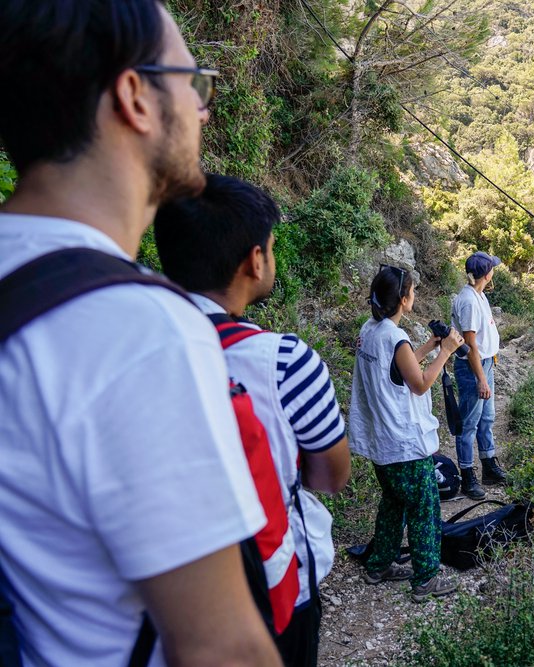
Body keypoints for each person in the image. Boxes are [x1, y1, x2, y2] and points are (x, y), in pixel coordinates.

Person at [0, 1, 281, 665]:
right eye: (194, 83)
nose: (204, 108)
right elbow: (220, 649)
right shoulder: (138, 330)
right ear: (136, 96)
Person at [154, 174, 352, 666]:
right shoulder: (285, 360)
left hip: (166, 597)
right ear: (255, 260)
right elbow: (331, 476)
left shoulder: (138, 353)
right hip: (274, 590)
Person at [350, 266, 465, 602]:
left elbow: (398, 369)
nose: (414, 296)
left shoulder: (371, 330)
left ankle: (379, 565)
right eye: (412, 291)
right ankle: (426, 579)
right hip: (403, 444)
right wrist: (445, 352)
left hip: (381, 443)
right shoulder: (393, 337)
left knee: (393, 503)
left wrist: (430, 344)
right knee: (424, 508)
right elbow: (418, 383)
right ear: (403, 299)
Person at [450, 251, 509, 499]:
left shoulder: (479, 295)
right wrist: (481, 379)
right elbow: (470, 345)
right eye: (492, 268)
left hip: (486, 363)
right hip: (473, 366)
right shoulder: (469, 302)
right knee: (469, 423)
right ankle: (467, 476)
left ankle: (489, 465)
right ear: (487, 274)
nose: (494, 271)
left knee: (487, 417)